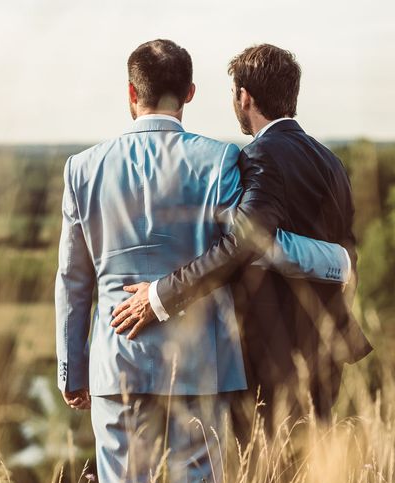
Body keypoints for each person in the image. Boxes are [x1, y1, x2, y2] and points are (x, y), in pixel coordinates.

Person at [54, 39, 350, 483]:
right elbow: (250, 245)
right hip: (202, 363)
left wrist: (71, 368)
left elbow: (72, 279)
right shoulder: (222, 161)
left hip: (117, 360)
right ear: (190, 93)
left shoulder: (82, 168)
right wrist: (339, 260)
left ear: (131, 93)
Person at [110, 43, 372, 441]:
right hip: (326, 345)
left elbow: (244, 243)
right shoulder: (330, 160)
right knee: (311, 477)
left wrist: (160, 296)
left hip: (270, 351)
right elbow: (347, 254)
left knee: (266, 481)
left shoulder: (260, 157)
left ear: (244, 96)